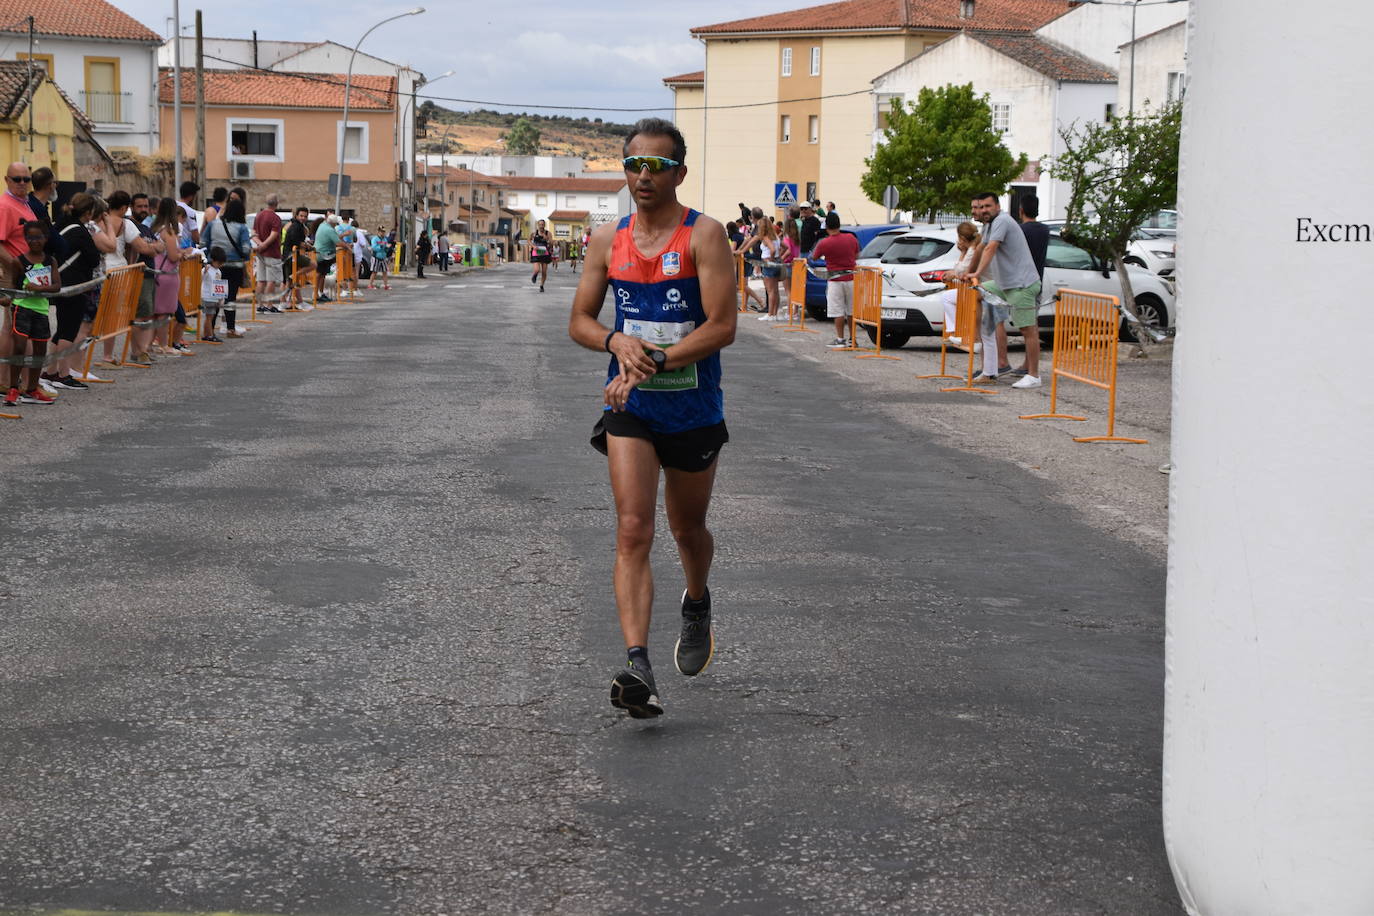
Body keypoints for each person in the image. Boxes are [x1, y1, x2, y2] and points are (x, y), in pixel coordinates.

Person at [568, 117, 737, 719]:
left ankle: (696, 602)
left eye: (657, 165)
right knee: (633, 528)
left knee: (687, 529)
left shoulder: (704, 236)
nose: (644, 175)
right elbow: (580, 320)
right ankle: (639, 665)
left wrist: (658, 358)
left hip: (692, 407)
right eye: (634, 164)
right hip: (629, 407)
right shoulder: (605, 239)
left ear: (679, 173)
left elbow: (722, 326)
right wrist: (617, 343)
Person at [968, 192, 1043, 389]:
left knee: (1027, 329)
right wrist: (968, 274)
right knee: (977, 293)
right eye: (981, 206)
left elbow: (990, 248)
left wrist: (976, 271)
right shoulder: (990, 225)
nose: (984, 210)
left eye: (987, 206)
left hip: (1021, 284)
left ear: (997, 206)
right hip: (1003, 284)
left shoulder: (1002, 220)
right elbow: (981, 247)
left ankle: (1034, 375)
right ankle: (990, 369)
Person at [45, 192, 102, 389]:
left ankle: (50, 371)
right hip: (75, 286)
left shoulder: (61, 224)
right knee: (68, 331)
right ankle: (63, 374)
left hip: (60, 282)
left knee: (61, 330)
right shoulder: (80, 231)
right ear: (88, 212)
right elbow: (94, 259)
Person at [4, 221, 60, 406]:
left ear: (45, 238)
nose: (33, 241)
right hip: (22, 308)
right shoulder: (18, 261)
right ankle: (13, 389)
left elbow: (57, 287)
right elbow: (12, 288)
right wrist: (6, 300)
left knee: (40, 351)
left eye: (38, 237)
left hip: (41, 310)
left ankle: (32, 389)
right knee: (19, 347)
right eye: (29, 237)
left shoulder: (50, 261)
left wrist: (38, 287)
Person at [126, 193, 168, 364]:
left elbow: (161, 245)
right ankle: (138, 351)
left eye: (145, 206)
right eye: (139, 206)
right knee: (139, 316)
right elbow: (147, 249)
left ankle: (142, 350)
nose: (143, 210)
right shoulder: (129, 225)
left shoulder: (145, 228)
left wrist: (152, 247)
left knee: (147, 315)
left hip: (150, 275)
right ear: (131, 207)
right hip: (138, 276)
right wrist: (152, 247)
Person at [203, 195, 251, 339]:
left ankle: (209, 330)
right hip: (235, 267)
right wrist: (245, 258)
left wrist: (210, 257)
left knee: (216, 297)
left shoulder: (213, 224)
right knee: (230, 298)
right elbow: (245, 248)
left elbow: (204, 241)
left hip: (216, 266)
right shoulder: (241, 227)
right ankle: (230, 328)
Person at [810, 211, 859, 348]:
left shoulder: (824, 243)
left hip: (835, 280)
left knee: (837, 310)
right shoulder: (851, 238)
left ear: (826, 227)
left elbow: (814, 257)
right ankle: (852, 339)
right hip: (851, 278)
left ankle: (840, 339)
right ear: (839, 224)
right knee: (851, 310)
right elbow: (857, 254)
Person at [148, 197, 184, 355]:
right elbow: (173, 256)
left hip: (155, 273)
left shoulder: (154, 227)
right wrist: (183, 254)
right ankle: (163, 345)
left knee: (154, 312)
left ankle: (149, 344)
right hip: (167, 275)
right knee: (164, 313)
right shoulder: (168, 231)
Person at [940, 221, 980, 350]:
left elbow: (961, 270)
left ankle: (959, 333)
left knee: (948, 297)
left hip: (977, 289)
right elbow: (959, 270)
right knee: (947, 297)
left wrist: (962, 252)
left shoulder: (972, 249)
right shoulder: (973, 247)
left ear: (962, 238)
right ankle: (954, 331)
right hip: (972, 288)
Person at [253, 193, 282, 312]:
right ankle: (269, 304)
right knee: (271, 280)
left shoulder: (259, 215)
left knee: (261, 280)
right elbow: (274, 235)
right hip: (272, 252)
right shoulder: (275, 218)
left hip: (260, 253)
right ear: (277, 203)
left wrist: (259, 244)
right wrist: (264, 244)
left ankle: (259, 305)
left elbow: (253, 232)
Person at [281, 206, 311, 308]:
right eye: (301, 215)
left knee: (290, 281)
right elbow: (295, 241)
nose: (303, 218)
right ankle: (284, 302)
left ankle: (298, 302)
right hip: (289, 255)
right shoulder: (295, 226)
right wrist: (305, 245)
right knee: (288, 280)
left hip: (289, 254)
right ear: (296, 215)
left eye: (305, 216)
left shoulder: (297, 225)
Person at [200, 247, 227, 343]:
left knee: (209, 317)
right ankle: (210, 335)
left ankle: (206, 334)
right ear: (213, 260)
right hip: (207, 296)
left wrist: (221, 299)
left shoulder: (218, 271)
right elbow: (201, 278)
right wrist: (205, 271)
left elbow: (219, 286)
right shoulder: (207, 269)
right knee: (209, 317)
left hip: (214, 297)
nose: (220, 265)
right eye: (219, 263)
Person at [313, 213, 341, 301]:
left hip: (323, 254)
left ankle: (320, 293)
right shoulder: (329, 229)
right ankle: (316, 293)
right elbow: (338, 242)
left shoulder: (323, 225)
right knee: (319, 274)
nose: (335, 225)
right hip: (323, 255)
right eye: (335, 224)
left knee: (322, 274)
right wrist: (347, 247)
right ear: (332, 223)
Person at [176, 181, 200, 247]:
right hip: (186, 248)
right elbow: (196, 237)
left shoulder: (172, 205)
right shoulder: (190, 212)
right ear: (191, 196)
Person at [530, 219, 552, 291]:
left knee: (544, 272)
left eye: (542, 224)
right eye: (540, 224)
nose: (541, 226)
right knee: (537, 270)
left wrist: (547, 239)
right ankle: (534, 275)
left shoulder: (548, 233)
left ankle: (541, 286)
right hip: (536, 252)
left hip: (544, 253)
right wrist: (533, 246)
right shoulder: (534, 233)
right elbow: (529, 240)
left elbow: (551, 243)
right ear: (538, 225)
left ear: (544, 225)